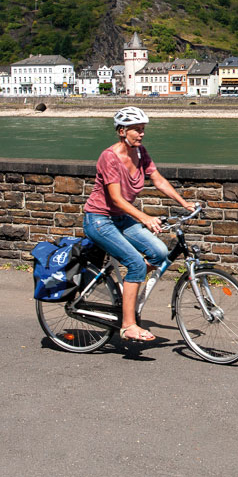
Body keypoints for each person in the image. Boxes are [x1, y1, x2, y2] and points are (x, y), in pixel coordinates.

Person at [83, 106, 195, 341]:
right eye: (136, 129)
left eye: (143, 129)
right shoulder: (109, 157)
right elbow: (115, 198)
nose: (141, 134)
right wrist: (144, 217)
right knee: (134, 263)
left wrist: (184, 203)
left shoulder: (141, 153)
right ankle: (128, 325)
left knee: (159, 252)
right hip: (99, 219)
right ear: (122, 131)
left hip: (121, 219)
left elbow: (158, 179)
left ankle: (128, 289)